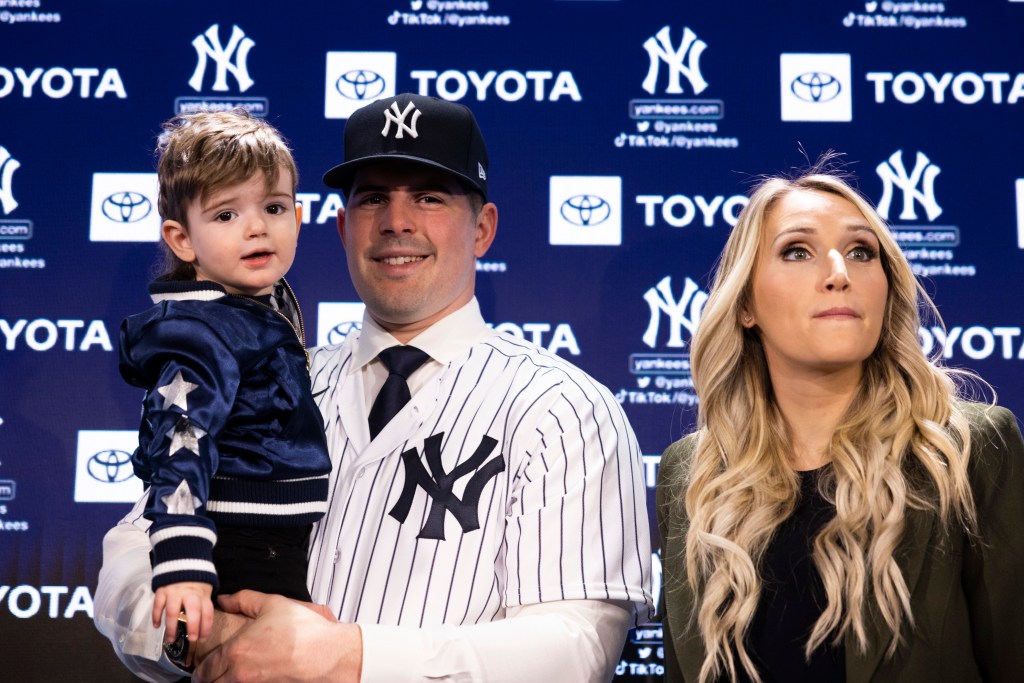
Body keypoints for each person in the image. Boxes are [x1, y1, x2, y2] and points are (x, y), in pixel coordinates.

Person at [95, 93, 653, 682]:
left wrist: (350, 657)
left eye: (429, 197)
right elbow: (132, 554)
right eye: (373, 198)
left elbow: (576, 648)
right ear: (341, 227)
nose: (396, 222)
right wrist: (210, 637)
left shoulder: (563, 408)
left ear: (483, 229)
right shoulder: (273, 372)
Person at [656, 166, 1024, 682]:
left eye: (861, 252)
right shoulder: (690, 473)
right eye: (797, 252)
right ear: (745, 306)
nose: (838, 272)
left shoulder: (970, 448)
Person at [112, 110, 331, 668]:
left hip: (273, 539)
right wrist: (184, 557)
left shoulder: (254, 311)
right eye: (227, 213)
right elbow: (180, 438)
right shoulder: (202, 332)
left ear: (299, 218)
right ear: (182, 239)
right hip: (237, 544)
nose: (257, 227)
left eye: (274, 208)